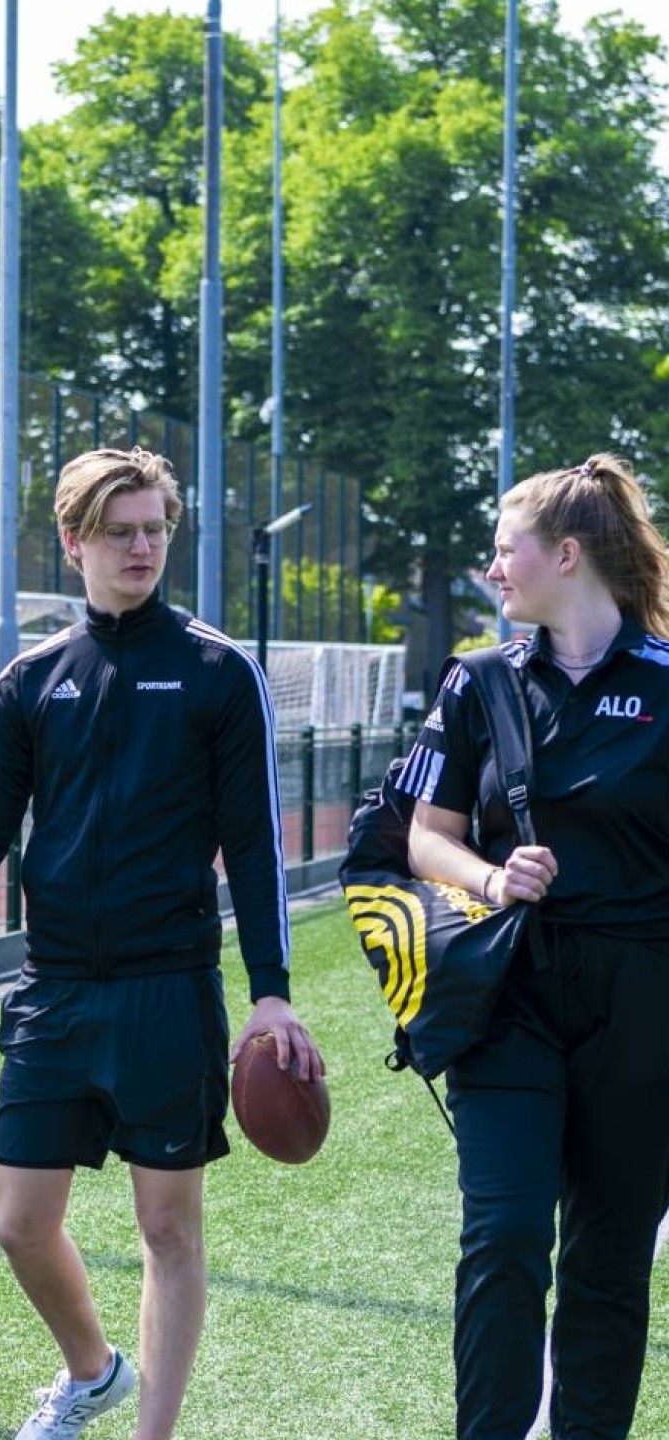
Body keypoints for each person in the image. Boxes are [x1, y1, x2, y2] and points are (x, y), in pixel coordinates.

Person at [0, 447, 322, 1440]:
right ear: (73, 542)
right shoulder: (29, 679)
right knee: (17, 1222)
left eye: (154, 529)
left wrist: (269, 990)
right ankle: (91, 1371)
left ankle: (150, 1431)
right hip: (54, 991)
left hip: (166, 993)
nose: (142, 546)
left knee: (165, 1229)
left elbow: (255, 846)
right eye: (119, 530)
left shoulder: (216, 672)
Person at [401, 454, 669, 1440]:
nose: (491, 568)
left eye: (502, 548)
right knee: (503, 1235)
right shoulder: (475, 682)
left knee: (605, 1259)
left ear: (563, 554)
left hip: (641, 1004)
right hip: (508, 991)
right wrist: (486, 879)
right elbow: (421, 834)